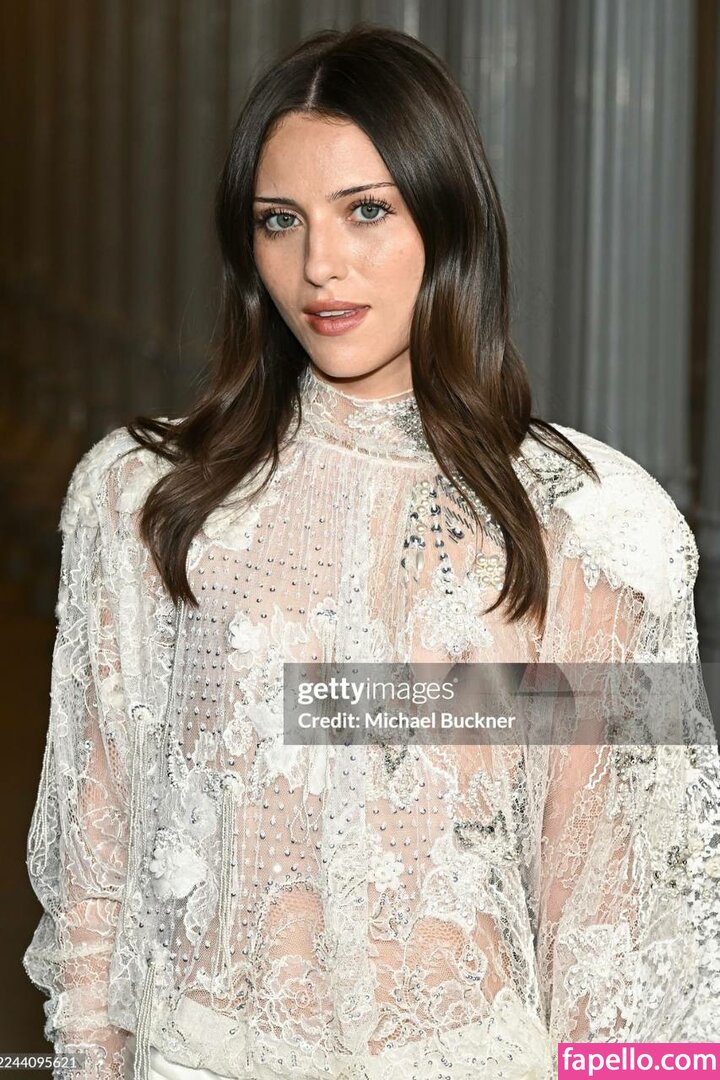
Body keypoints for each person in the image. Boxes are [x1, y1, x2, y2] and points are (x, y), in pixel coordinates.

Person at [22, 22, 720, 1080]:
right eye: (280, 220)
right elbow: (95, 872)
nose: (319, 265)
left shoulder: (591, 529)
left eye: (366, 210)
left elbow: (623, 931)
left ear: (447, 217)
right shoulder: (141, 500)